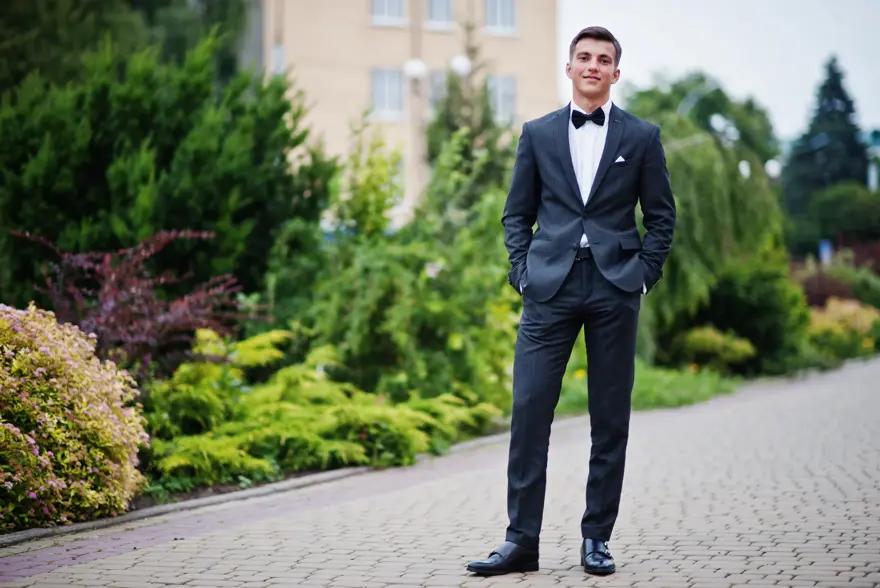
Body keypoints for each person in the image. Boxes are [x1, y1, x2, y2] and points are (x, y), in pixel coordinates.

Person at [466, 26, 676, 577]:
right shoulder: (537, 134)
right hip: (549, 287)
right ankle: (521, 542)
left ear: (615, 73)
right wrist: (521, 272)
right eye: (583, 57)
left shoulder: (642, 136)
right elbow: (516, 213)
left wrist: (643, 276)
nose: (592, 66)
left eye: (603, 60)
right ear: (569, 68)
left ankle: (596, 539)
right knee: (530, 410)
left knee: (610, 418)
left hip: (614, 286)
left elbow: (661, 217)